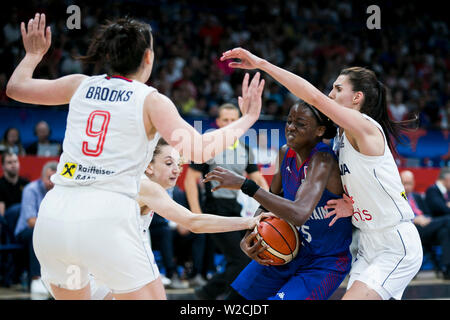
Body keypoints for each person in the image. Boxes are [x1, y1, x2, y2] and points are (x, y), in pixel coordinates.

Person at [6, 14, 264, 300]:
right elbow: (200, 150)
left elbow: (15, 89)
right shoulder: (150, 99)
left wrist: (33, 55)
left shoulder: (79, 84)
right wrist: (248, 118)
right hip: (106, 216)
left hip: (54, 215)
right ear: (148, 57)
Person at [220, 47, 423, 300]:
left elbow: (313, 98)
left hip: (394, 242)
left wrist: (263, 64)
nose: (330, 94)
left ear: (357, 97)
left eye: (338, 89)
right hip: (367, 243)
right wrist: (353, 204)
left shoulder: (366, 128)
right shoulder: (339, 139)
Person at [51, 137, 268, 300]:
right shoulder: (145, 186)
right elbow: (194, 222)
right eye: (168, 163)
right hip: (79, 261)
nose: (176, 170)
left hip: (90, 258)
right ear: (149, 166)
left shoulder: (137, 184)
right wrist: (248, 222)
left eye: (178, 165)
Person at [204, 101, 353, 300]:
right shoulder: (285, 152)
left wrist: (245, 184)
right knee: (235, 298)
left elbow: (299, 213)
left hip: (324, 262)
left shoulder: (323, 160)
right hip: (288, 249)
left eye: (300, 124)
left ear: (320, 130)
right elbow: (268, 201)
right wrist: (250, 235)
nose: (291, 127)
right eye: (289, 121)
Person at [184, 102, 270, 300]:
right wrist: (196, 215)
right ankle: (205, 294)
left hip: (234, 209)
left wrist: (272, 201)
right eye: (226, 120)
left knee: (250, 256)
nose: (230, 123)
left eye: (234, 120)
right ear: (218, 122)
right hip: (213, 209)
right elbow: (190, 180)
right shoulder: (208, 147)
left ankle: (227, 295)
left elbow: (258, 178)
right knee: (240, 259)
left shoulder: (245, 148)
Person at [14, 161, 57, 299]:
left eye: (55, 179)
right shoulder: (30, 190)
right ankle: (36, 278)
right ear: (42, 176)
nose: (52, 182)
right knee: (37, 233)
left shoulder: (59, 193)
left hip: (48, 231)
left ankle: (58, 277)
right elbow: (31, 221)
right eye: (49, 178)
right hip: (25, 232)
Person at [400, 170, 450, 279]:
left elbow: (428, 213)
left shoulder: (417, 197)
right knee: (447, 220)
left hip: (426, 226)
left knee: (444, 232)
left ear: (413, 183)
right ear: (399, 182)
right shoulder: (398, 198)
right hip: (411, 229)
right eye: (404, 183)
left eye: (409, 183)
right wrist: (414, 219)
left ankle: (446, 268)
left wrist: (425, 218)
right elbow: (396, 217)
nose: (407, 187)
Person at [0, 151, 29, 287]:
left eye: (15, 162)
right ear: (3, 166)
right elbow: (2, 214)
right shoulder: (0, 185)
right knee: (17, 209)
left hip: (26, 223)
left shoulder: (26, 184)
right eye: (9, 163)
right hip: (8, 226)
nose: (13, 165)